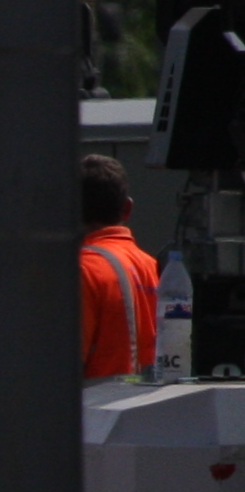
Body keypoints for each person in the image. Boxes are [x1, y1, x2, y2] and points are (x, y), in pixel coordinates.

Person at [81, 154, 161, 383]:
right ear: (127, 208)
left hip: (95, 412)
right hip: (146, 408)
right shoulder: (152, 266)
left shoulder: (82, 270)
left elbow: (61, 366)